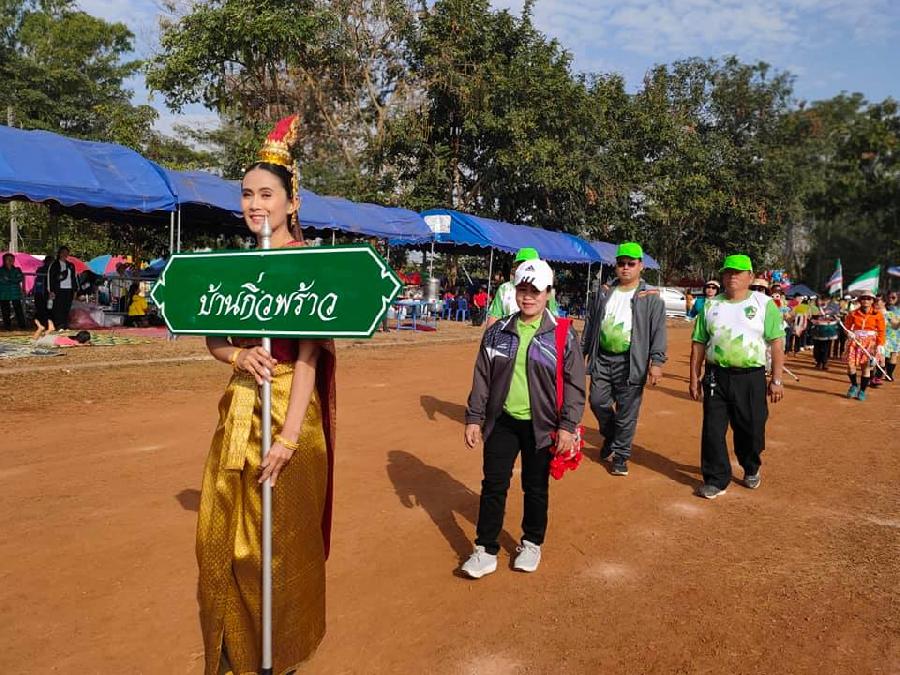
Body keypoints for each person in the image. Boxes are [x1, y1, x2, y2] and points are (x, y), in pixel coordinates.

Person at [196, 114, 338, 674]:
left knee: (275, 548)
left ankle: (279, 657)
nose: (255, 204)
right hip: (237, 410)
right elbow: (213, 339)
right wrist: (237, 356)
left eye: (266, 194)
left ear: (291, 202)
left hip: (289, 415)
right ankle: (232, 650)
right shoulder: (233, 267)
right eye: (247, 194)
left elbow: (308, 359)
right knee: (220, 535)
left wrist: (288, 438)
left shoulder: (309, 266)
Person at [461, 258, 585, 578]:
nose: (527, 297)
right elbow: (482, 377)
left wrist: (567, 426)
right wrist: (474, 417)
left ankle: (531, 543)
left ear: (548, 293)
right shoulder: (498, 332)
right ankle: (485, 549)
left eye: (535, 291)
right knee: (494, 484)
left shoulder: (562, 334)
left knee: (535, 486)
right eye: (522, 290)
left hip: (542, 425)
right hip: (502, 421)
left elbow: (574, 383)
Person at [689, 254, 785, 499]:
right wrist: (694, 377)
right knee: (712, 430)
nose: (732, 276)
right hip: (716, 375)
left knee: (751, 429)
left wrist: (776, 380)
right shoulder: (710, 305)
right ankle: (716, 478)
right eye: (728, 272)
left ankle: (751, 465)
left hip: (751, 377)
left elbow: (776, 343)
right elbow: (699, 343)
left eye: (738, 272)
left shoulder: (764, 304)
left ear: (750, 276)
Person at [582, 242, 667, 476]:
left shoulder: (650, 296)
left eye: (631, 263)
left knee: (627, 412)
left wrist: (657, 362)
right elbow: (591, 323)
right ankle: (611, 436)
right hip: (602, 359)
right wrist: (582, 352)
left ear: (641, 266)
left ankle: (620, 455)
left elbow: (658, 330)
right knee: (597, 401)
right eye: (621, 263)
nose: (626, 268)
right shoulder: (604, 292)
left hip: (631, 362)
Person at [486, 247, 558, 328]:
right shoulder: (504, 289)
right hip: (508, 332)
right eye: (521, 264)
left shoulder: (544, 288)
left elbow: (554, 317)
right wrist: (491, 333)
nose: (526, 267)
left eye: (535, 291)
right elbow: (494, 316)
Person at [842, 291, 885, 401]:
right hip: (855, 341)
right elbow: (846, 327)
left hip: (870, 343)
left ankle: (862, 390)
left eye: (868, 298)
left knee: (866, 368)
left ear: (872, 301)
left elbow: (881, 331)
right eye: (863, 298)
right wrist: (849, 333)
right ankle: (854, 385)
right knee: (850, 365)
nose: (866, 300)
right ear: (860, 300)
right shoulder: (853, 313)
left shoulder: (878, 314)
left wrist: (880, 345)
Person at [47, 246, 78, 329]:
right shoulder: (54, 265)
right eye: (63, 252)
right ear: (59, 254)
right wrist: (51, 291)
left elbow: (74, 278)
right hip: (58, 290)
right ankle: (58, 325)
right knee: (58, 308)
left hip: (69, 289)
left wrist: (75, 290)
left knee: (66, 308)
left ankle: (65, 325)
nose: (65, 254)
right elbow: (50, 278)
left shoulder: (71, 265)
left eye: (66, 253)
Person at [0, 253, 27, 330]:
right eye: (8, 259)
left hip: (15, 293)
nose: (10, 261)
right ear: (4, 260)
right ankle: (7, 326)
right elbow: (2, 280)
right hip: (4, 293)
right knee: (5, 310)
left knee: (18, 309)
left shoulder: (17, 269)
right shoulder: (0, 270)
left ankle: (22, 325)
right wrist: (13, 280)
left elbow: (20, 278)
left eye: (12, 259)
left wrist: (8, 279)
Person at [31, 255, 55, 337]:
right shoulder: (47, 270)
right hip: (42, 292)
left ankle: (46, 325)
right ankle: (46, 325)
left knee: (43, 310)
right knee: (45, 309)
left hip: (43, 292)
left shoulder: (42, 270)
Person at [884, 291, 900, 382]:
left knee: (893, 354)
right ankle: (880, 372)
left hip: (896, 335)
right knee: (883, 355)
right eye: (889, 297)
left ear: (897, 299)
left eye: (893, 297)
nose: (890, 299)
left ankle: (889, 374)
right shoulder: (882, 308)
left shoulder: (899, 310)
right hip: (884, 334)